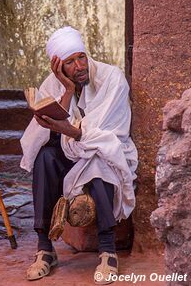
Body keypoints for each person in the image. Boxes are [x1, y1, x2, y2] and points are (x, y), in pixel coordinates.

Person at [20, 26, 138, 284]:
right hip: (71, 150)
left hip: (103, 149)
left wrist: (71, 131)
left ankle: (108, 251)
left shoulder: (112, 78)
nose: (79, 66)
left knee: (97, 159)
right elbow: (45, 134)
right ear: (58, 67)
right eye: (70, 62)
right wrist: (67, 90)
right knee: (45, 158)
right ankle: (45, 249)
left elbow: (106, 136)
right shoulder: (53, 84)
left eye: (81, 57)